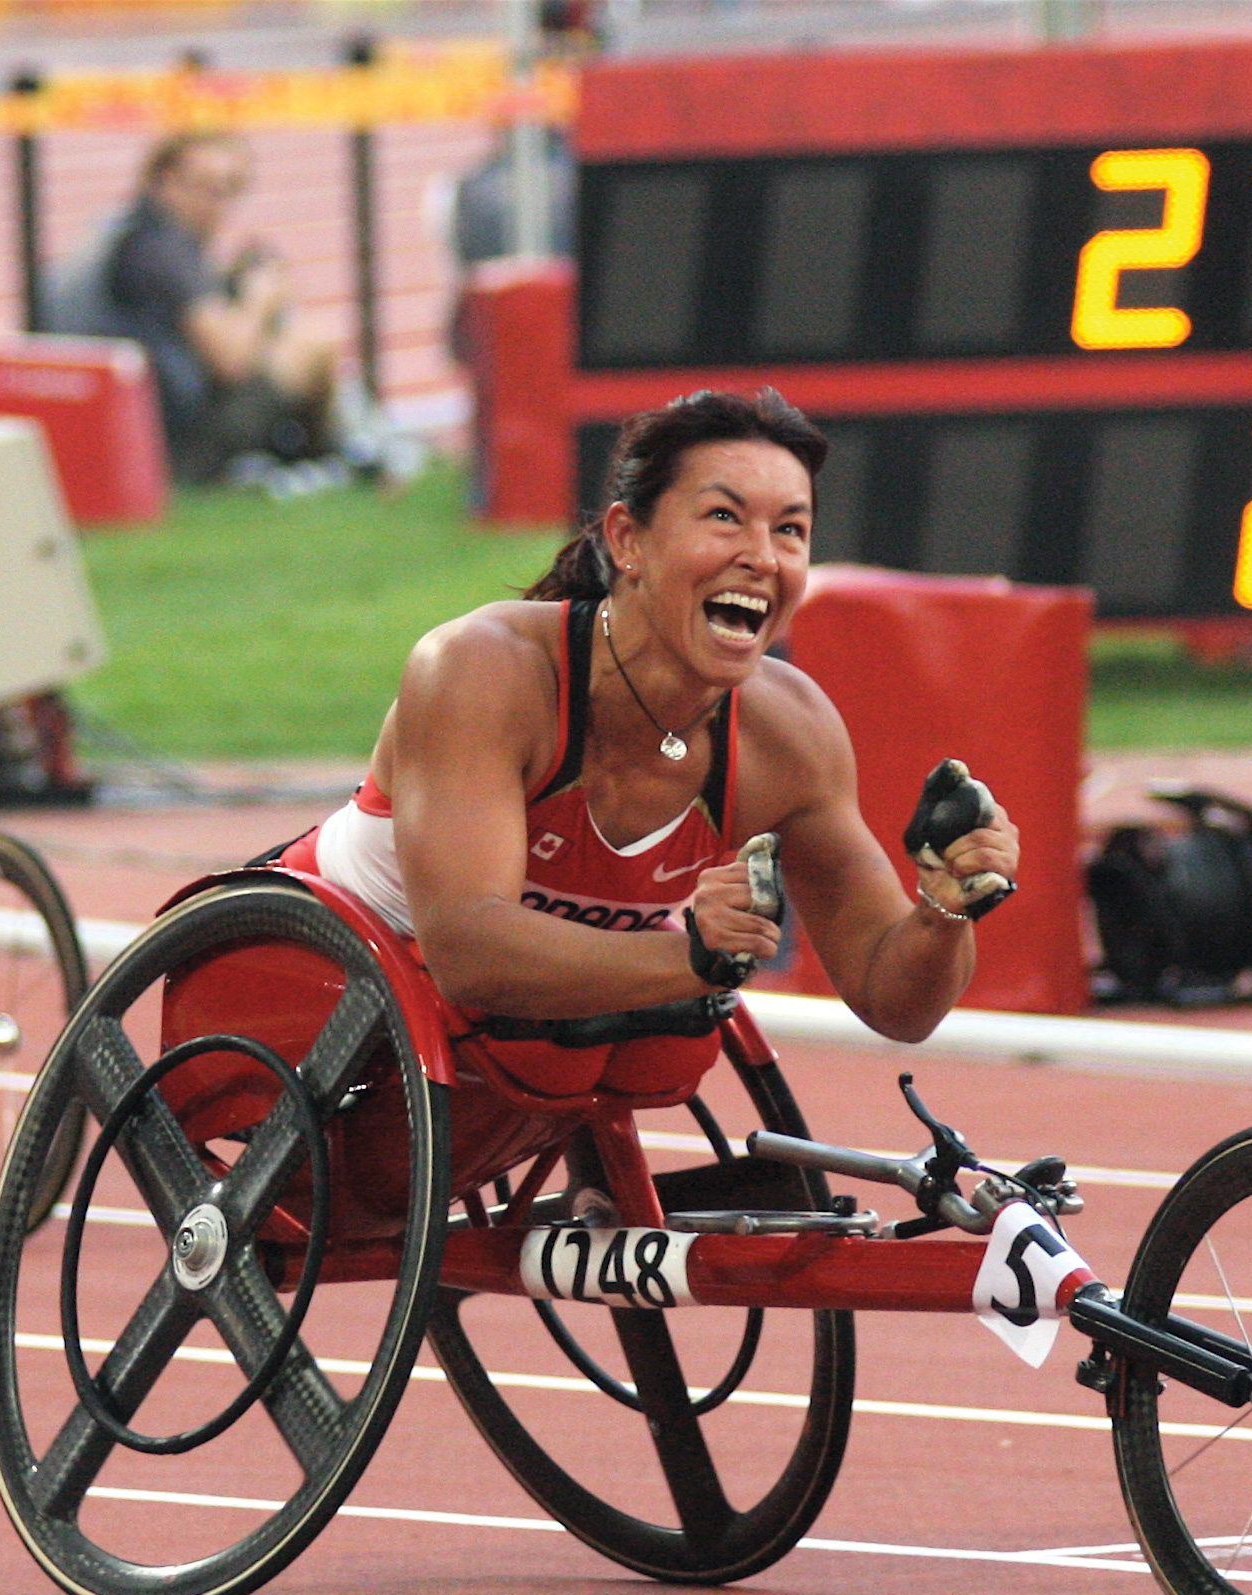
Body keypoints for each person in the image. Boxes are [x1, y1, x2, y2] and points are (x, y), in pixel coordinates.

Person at [274, 387, 1017, 1081]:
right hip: (305, 994)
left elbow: (896, 1004)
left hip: (516, 1041)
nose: (763, 556)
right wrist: (694, 953)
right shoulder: (482, 668)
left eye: (790, 530)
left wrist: (946, 907)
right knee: (662, 1017)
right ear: (629, 541)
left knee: (662, 1051)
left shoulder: (791, 735)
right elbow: (470, 952)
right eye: (725, 517)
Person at [49, 131, 340, 484]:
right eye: (205, 186)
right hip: (171, 442)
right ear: (165, 182)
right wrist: (260, 299)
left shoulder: (128, 231)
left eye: (230, 189)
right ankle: (321, 457)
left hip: (128, 422)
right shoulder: (164, 250)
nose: (217, 203)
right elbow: (230, 360)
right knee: (311, 344)